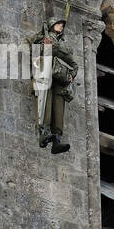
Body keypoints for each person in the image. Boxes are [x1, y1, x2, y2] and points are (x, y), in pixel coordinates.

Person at [30, 18, 77, 154]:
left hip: (59, 79)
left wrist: (71, 75)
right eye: (58, 24)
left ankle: (57, 140)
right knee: (45, 105)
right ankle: (43, 134)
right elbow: (33, 56)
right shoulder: (41, 38)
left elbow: (73, 63)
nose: (61, 27)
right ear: (51, 25)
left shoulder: (63, 44)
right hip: (45, 75)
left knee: (58, 109)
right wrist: (44, 47)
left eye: (62, 25)